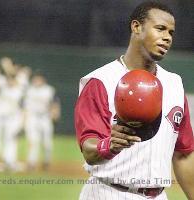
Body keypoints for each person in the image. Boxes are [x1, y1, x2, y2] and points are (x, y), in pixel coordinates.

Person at [74, 2, 194, 200]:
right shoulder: (100, 81)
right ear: (136, 27)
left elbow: (183, 153)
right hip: (108, 193)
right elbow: (89, 147)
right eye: (160, 28)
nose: (167, 37)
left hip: (158, 196)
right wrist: (107, 145)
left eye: (171, 33)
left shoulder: (174, 84)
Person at [24, 72, 61, 170]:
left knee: (47, 143)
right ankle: (31, 162)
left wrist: (55, 113)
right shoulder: (29, 90)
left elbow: (55, 103)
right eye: (35, 79)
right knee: (33, 141)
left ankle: (46, 161)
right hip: (33, 117)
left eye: (39, 79)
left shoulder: (49, 90)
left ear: (43, 80)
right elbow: (25, 106)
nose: (37, 81)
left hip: (45, 117)